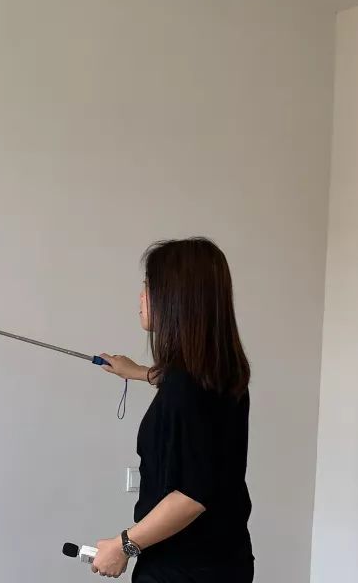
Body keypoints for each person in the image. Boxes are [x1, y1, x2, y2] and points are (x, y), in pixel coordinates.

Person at [92, 238, 255, 583]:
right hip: (222, 559)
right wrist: (138, 372)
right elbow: (186, 397)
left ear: (175, 298)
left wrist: (124, 546)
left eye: (148, 287)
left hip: (183, 568)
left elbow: (191, 496)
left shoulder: (187, 385)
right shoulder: (218, 372)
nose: (141, 297)